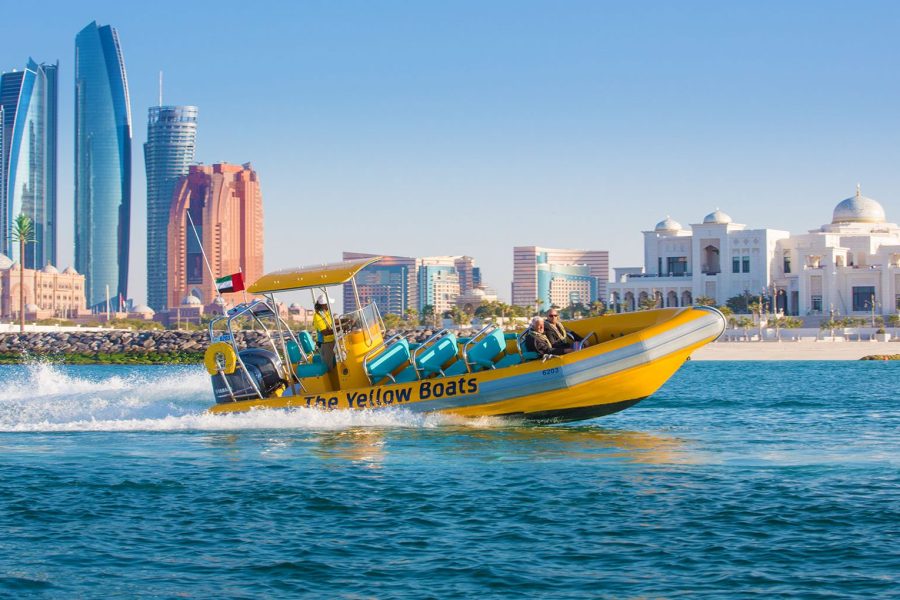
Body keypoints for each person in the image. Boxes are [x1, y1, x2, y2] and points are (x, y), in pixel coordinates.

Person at [313, 294, 336, 367]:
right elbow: (325, 332)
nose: (329, 305)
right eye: (328, 304)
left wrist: (345, 321)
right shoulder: (317, 316)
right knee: (328, 366)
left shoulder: (326, 313)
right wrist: (340, 328)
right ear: (323, 305)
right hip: (325, 344)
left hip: (332, 341)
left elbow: (332, 323)